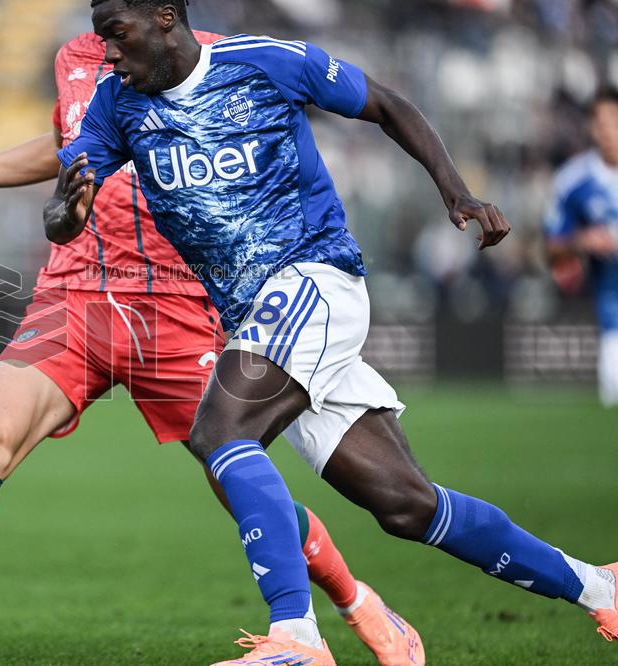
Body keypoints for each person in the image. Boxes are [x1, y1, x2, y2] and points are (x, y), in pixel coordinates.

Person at [45, 1, 618, 663]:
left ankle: (296, 636)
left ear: (166, 17)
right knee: (407, 506)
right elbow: (62, 211)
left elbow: (388, 106)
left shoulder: (266, 63)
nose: (109, 54)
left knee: (220, 433)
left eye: (117, 35)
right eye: (101, 39)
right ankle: (599, 587)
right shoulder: (115, 105)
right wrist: (67, 213)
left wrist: (456, 191)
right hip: (259, 320)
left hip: (315, 279)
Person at [0, 29, 422, 666]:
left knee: (236, 477)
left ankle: (357, 604)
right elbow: (67, 148)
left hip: (173, 300)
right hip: (73, 294)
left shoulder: (211, 57)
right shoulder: (74, 57)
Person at [545, 87, 618, 408]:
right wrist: (583, 240)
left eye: (615, 121)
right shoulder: (572, 181)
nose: (609, 131)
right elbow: (552, 249)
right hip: (613, 323)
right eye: (601, 123)